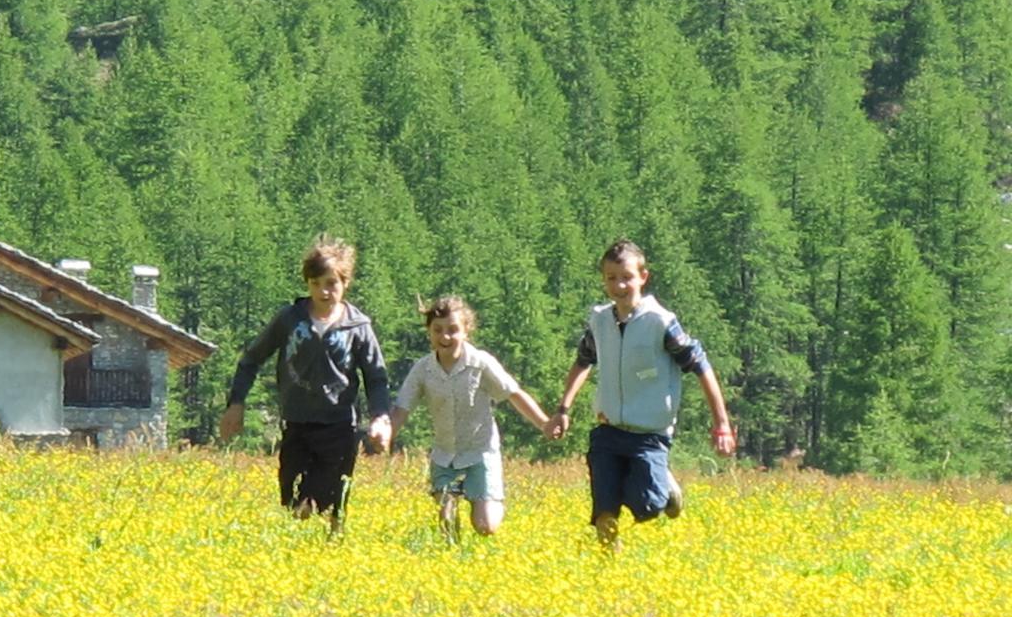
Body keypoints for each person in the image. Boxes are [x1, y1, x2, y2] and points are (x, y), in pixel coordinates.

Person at [549, 239, 736, 546]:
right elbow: (583, 361)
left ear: (643, 277)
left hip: (649, 434)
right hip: (608, 429)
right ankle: (609, 569)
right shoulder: (600, 321)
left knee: (647, 507)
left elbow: (700, 365)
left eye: (626, 277)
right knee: (604, 510)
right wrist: (563, 409)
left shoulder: (660, 322)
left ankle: (665, 487)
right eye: (611, 278)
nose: (619, 285)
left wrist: (722, 424)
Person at [219, 234, 392, 533]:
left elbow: (376, 376)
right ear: (307, 284)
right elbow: (251, 360)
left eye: (331, 283)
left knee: (330, 500)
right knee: (292, 501)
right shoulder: (290, 320)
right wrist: (236, 404)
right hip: (296, 424)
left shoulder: (358, 327)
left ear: (345, 283)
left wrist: (380, 417)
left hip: (339, 426)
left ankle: (334, 551)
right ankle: (301, 557)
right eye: (316, 284)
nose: (324, 292)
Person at [388, 296, 552, 538]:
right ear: (429, 333)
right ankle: (450, 562)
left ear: (466, 331)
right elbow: (403, 407)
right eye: (438, 330)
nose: (445, 337)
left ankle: (486, 500)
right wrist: (386, 434)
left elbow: (513, 394)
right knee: (447, 520)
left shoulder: (481, 363)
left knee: (486, 526)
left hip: (480, 453)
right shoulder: (422, 370)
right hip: (445, 456)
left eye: (453, 330)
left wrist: (544, 423)